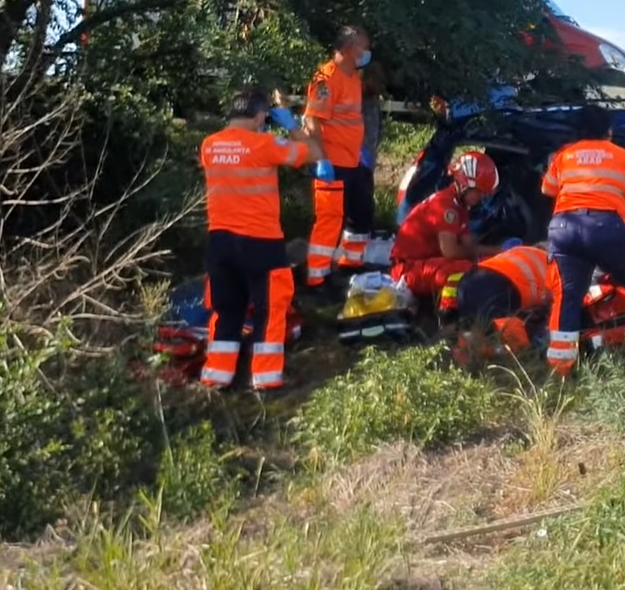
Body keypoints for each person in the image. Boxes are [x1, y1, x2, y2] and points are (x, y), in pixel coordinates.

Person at [198, 86, 326, 392]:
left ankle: (216, 378)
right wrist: (291, 124)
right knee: (270, 309)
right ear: (259, 115)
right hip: (260, 243)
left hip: (220, 243)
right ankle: (266, 382)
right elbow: (315, 153)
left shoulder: (209, 145)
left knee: (227, 310)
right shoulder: (265, 144)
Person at [540, 106, 625, 377]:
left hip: (564, 229)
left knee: (566, 296)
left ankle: (560, 372)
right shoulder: (620, 155)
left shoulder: (564, 155)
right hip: (605, 227)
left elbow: (547, 189)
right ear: (608, 131)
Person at [303, 26, 377, 289]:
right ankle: (317, 277)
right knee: (330, 219)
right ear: (347, 48)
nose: (366, 53)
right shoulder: (326, 78)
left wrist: (359, 151)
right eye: (363, 47)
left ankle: (351, 262)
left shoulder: (354, 78)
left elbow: (350, 120)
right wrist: (321, 159)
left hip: (353, 160)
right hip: (332, 163)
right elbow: (312, 120)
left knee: (362, 213)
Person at [389, 151, 505, 314]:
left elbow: (469, 246)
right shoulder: (446, 206)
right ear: (465, 184)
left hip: (424, 263)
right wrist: (496, 252)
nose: (481, 198)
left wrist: (499, 255)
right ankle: (448, 314)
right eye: (479, 192)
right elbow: (451, 252)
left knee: (483, 265)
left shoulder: (459, 206)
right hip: (407, 269)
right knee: (465, 271)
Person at [445, 243, 560, 368]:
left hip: (469, 281)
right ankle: (484, 358)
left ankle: (460, 349)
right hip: (501, 288)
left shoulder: (521, 250)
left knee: (475, 325)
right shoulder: (558, 269)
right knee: (517, 343)